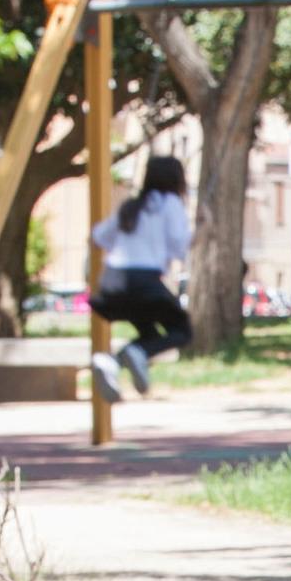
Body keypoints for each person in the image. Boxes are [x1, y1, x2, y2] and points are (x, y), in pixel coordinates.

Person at [88, 156, 192, 402]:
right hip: (144, 280)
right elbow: (179, 248)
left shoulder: (132, 206)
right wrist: (202, 228)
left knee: (150, 336)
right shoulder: (171, 204)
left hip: (112, 282)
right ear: (177, 180)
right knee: (182, 330)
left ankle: (111, 361)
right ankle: (135, 353)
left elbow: (98, 237)